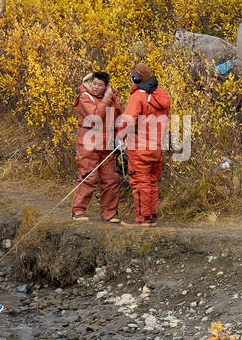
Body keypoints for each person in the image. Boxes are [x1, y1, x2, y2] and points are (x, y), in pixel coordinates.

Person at [118, 62, 171, 226]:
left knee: (140, 184)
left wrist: (119, 138)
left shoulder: (138, 97)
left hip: (139, 149)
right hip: (156, 148)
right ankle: (150, 217)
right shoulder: (161, 94)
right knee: (151, 182)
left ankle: (143, 219)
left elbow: (127, 121)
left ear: (136, 78)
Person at [72, 70, 124, 223]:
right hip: (88, 146)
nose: (95, 87)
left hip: (107, 146)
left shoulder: (113, 99)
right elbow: (95, 116)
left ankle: (109, 212)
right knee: (89, 177)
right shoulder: (84, 97)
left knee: (112, 179)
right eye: (94, 83)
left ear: (105, 86)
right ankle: (78, 210)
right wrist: (107, 98)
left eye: (99, 85)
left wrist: (120, 137)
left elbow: (119, 118)